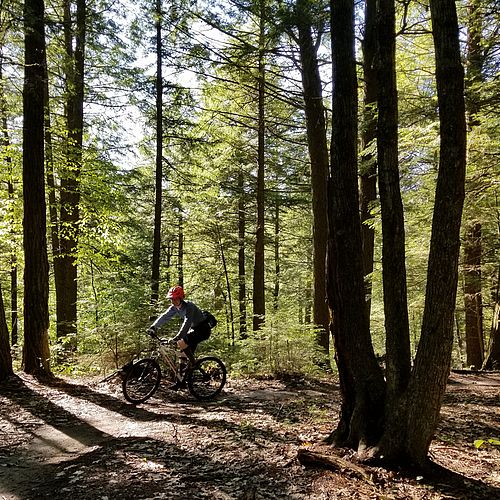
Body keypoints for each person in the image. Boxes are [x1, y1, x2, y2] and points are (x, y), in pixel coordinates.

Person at [147, 285, 212, 390]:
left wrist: (178, 336)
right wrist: (153, 327)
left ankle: (194, 365)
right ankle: (181, 381)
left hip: (203, 331)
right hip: (194, 330)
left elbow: (187, 322)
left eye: (175, 299)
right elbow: (164, 317)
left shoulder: (189, 307)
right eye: (171, 299)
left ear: (181, 298)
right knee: (182, 355)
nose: (172, 301)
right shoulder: (174, 308)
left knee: (182, 341)